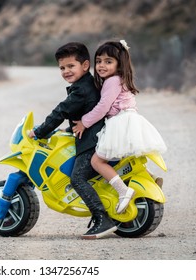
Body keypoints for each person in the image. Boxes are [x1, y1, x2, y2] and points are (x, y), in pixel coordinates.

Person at [28, 42, 117, 239]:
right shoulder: (87, 84)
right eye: (62, 67)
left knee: (77, 178)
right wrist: (69, 129)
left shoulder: (81, 89)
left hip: (92, 143)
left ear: (85, 66)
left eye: (71, 66)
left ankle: (102, 218)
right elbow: (86, 110)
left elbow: (62, 110)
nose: (66, 71)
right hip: (96, 135)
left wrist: (40, 131)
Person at [72, 40, 167, 214]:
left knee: (97, 161)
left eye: (108, 62)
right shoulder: (120, 79)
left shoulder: (111, 81)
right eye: (99, 61)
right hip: (130, 119)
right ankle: (150, 179)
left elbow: (102, 107)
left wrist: (84, 122)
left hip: (119, 122)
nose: (101, 65)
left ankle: (124, 192)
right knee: (128, 157)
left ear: (119, 64)